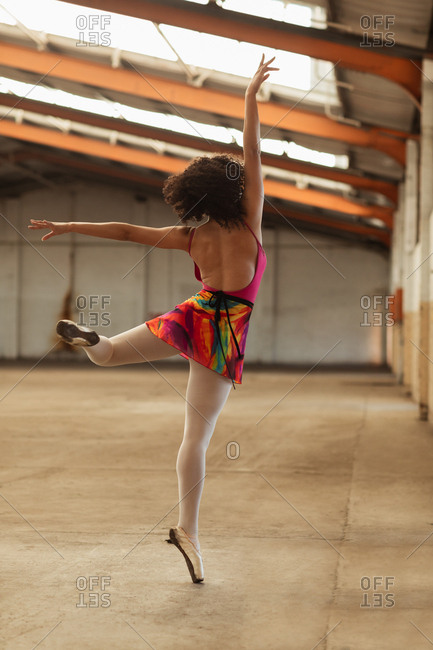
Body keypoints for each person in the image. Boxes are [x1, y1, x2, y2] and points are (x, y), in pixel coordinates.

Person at [28, 54, 278, 584]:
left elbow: (125, 230)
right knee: (196, 437)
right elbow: (252, 151)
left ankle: (96, 338)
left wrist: (69, 224)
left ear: (194, 197)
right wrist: (251, 95)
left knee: (113, 355)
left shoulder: (193, 236)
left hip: (194, 312)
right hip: (224, 328)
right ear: (231, 188)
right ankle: (188, 529)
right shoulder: (250, 220)